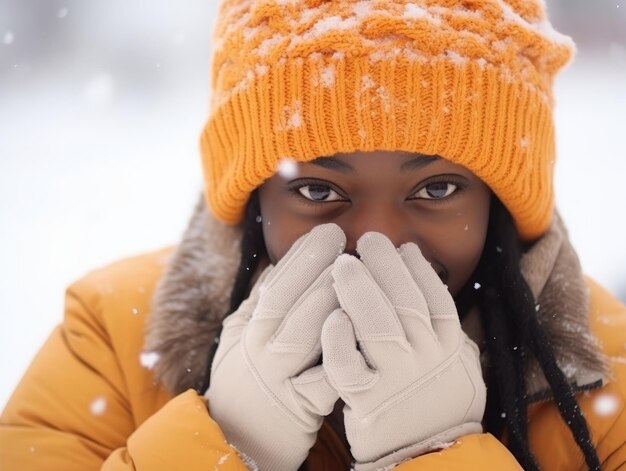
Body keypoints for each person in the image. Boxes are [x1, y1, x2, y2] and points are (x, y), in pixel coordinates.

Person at [1, 0, 625, 469]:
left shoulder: (610, 373)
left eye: (436, 189)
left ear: (501, 200)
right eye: (319, 191)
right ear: (253, 201)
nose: (377, 241)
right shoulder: (114, 336)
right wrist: (227, 442)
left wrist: (437, 454)